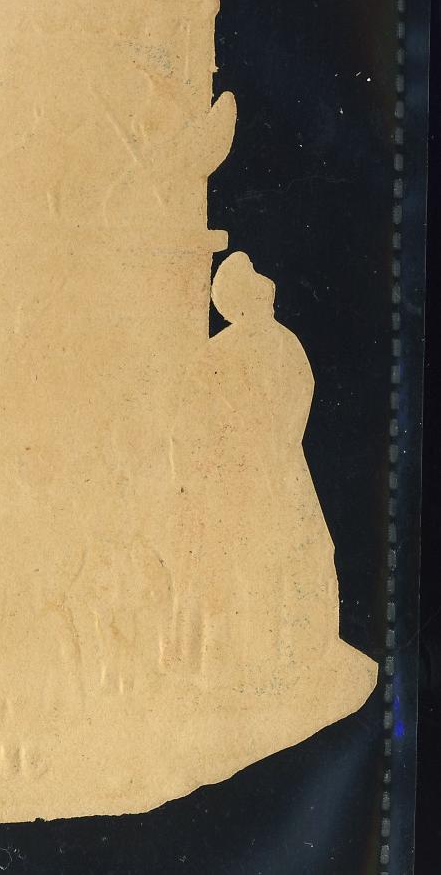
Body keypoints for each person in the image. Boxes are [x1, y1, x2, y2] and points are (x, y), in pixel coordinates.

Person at [168, 252, 339, 688]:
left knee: (287, 559)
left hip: (266, 471)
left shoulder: (264, 347)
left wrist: (268, 446)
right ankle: (251, 667)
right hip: (251, 475)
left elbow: (297, 403)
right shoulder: (236, 352)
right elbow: (190, 425)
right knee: (249, 567)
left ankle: (278, 665)